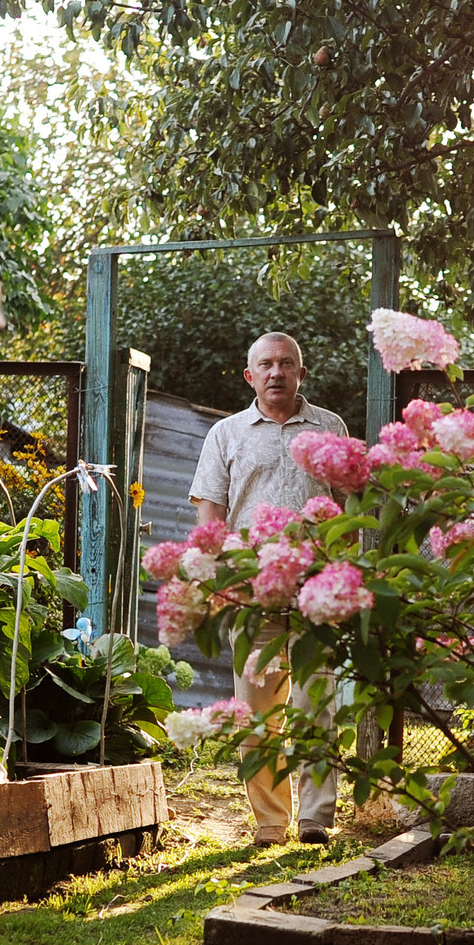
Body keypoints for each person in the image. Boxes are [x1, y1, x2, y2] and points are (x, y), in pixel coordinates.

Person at [187, 332, 346, 844]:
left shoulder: (329, 427)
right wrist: (214, 578)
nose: (276, 372)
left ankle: (317, 820)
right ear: (248, 374)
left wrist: (344, 573)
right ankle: (270, 823)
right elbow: (209, 513)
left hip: (313, 590)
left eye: (286, 363)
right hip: (250, 592)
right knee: (256, 711)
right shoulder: (226, 434)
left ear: (302, 372)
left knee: (316, 703)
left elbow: (348, 508)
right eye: (266, 365)